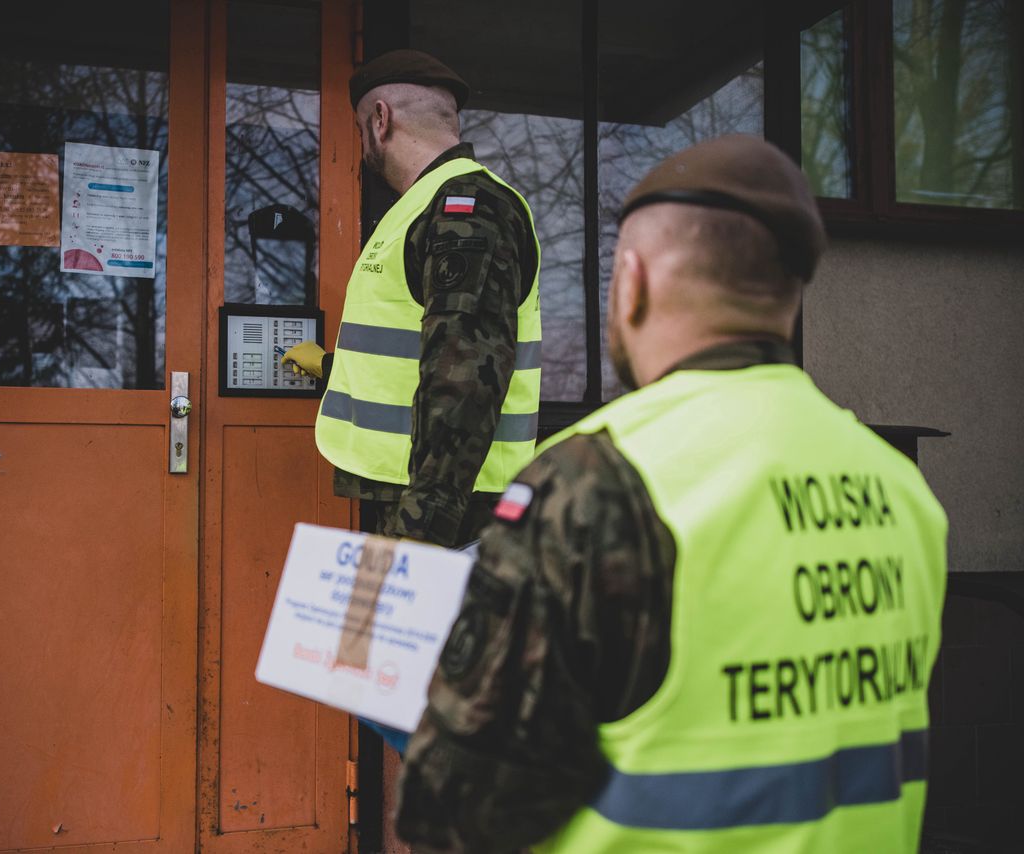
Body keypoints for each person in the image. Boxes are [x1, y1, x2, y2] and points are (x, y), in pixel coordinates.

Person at [395, 135, 948, 853]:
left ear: (634, 281)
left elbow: (458, 809)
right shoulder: (900, 488)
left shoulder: (593, 486)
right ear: (787, 291)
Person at [282, 48, 543, 552]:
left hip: (444, 510)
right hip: (421, 497)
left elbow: (466, 375)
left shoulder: (467, 208)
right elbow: (428, 352)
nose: (363, 146)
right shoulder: (427, 206)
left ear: (380, 121)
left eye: (361, 129)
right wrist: (333, 369)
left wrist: (421, 532)